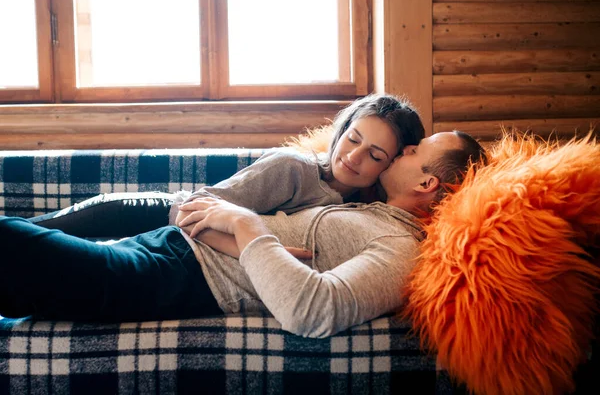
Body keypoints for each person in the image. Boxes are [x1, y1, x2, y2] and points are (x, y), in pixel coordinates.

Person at [0, 131, 486, 338]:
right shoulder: (355, 203)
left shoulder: (399, 248)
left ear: (428, 183)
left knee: (10, 242)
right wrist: (248, 237)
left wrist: (244, 225)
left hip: (170, 278)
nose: (402, 149)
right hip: (165, 246)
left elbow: (313, 310)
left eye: (413, 151)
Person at [30, 94, 426, 247]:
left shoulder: (365, 210)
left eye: (374, 155)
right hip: (150, 212)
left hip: (173, 237)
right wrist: (262, 252)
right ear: (341, 131)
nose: (353, 157)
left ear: (391, 165)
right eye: (353, 138)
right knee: (31, 230)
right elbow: (199, 208)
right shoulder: (294, 170)